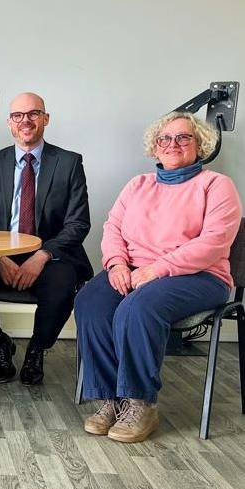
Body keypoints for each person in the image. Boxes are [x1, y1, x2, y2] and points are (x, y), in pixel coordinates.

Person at [75, 112, 241, 443]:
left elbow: (212, 244)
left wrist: (154, 270)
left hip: (199, 276)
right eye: (165, 138)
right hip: (133, 272)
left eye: (184, 137)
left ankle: (140, 403)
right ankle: (111, 399)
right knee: (90, 302)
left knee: (136, 309)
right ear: (155, 146)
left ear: (200, 145)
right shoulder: (138, 185)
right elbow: (113, 228)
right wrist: (118, 264)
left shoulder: (216, 186)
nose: (173, 144)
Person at [0, 92, 91, 385]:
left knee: (62, 287)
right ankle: (0, 342)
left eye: (33, 114)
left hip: (50, 254)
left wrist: (41, 257)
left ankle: (36, 350)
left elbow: (78, 223)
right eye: (18, 115)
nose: (25, 121)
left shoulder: (68, 163)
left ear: (45, 119)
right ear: (9, 123)